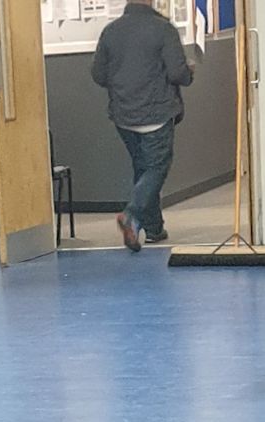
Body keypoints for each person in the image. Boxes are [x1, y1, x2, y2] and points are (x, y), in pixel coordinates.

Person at [90, 0, 195, 251]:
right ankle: (131, 214)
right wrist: (190, 71)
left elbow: (98, 74)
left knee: (143, 169)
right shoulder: (163, 29)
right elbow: (177, 73)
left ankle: (154, 228)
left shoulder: (111, 31)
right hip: (157, 112)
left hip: (123, 115)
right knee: (157, 167)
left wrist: (122, 86)